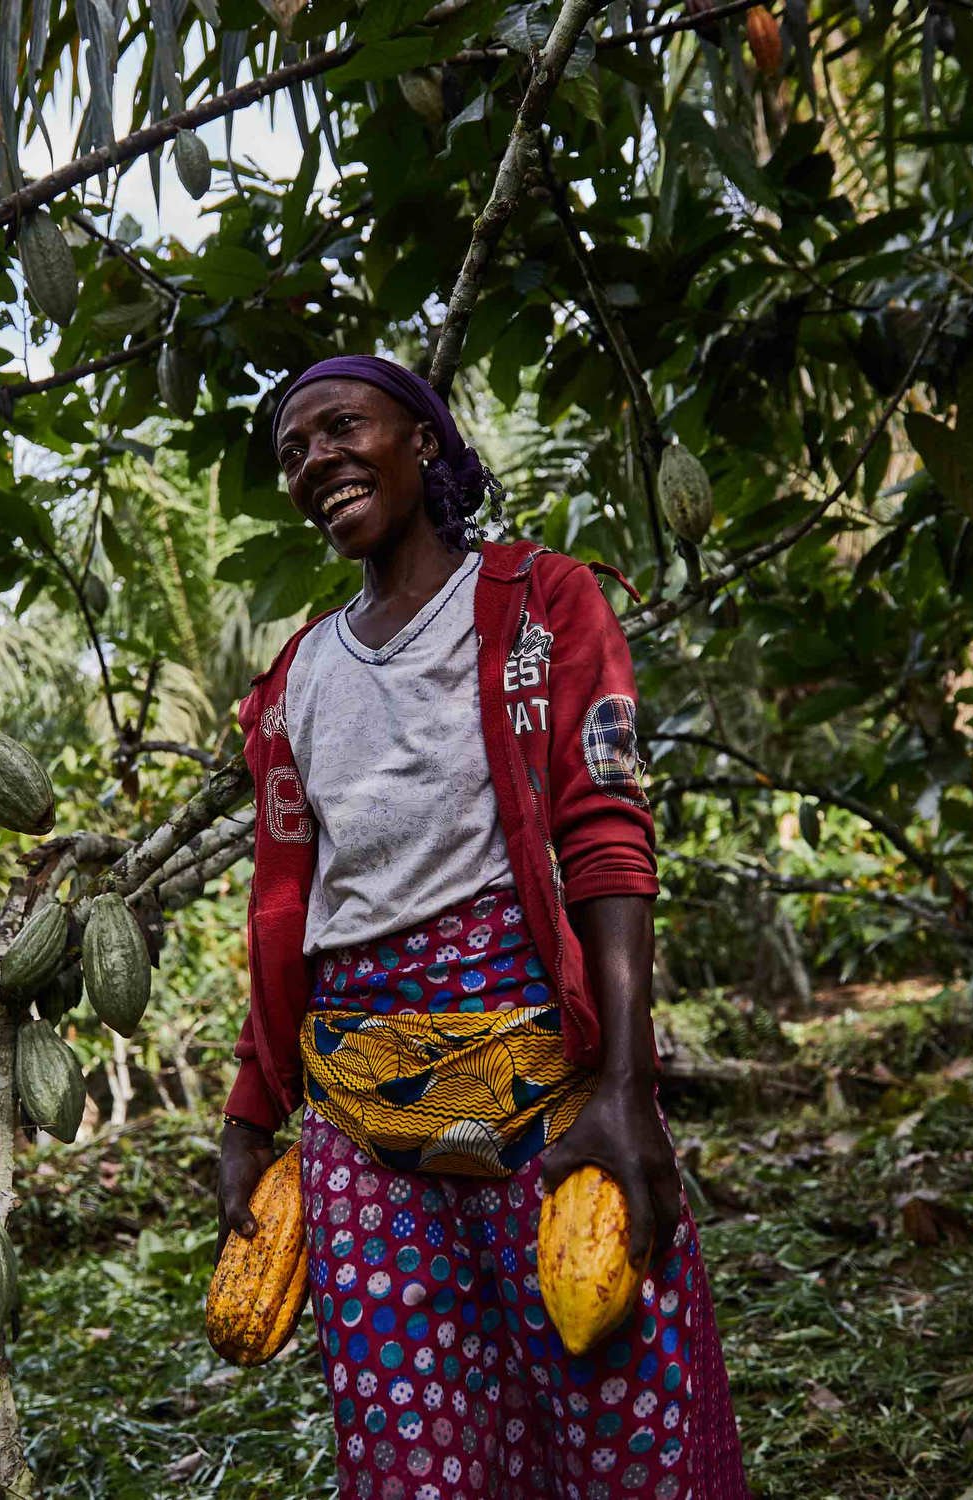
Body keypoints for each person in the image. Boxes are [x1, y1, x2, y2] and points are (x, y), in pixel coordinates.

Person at [215, 355, 749, 1500]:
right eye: (292, 454)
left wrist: (623, 1082)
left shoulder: (542, 603)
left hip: (539, 1080)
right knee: (414, 1456)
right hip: (357, 1114)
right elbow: (282, 912)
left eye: (341, 427)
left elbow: (605, 836)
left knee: (617, 1419)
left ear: (421, 438)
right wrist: (248, 1117)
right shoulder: (295, 676)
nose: (315, 462)